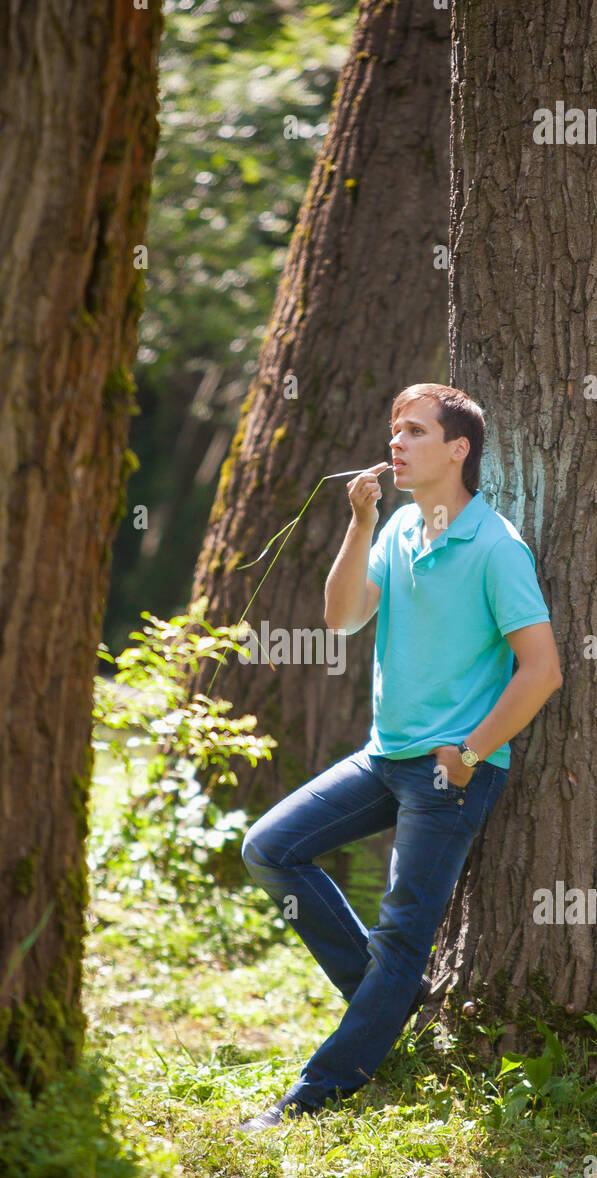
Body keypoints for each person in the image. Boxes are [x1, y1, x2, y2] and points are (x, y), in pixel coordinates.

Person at [237, 383, 563, 1133]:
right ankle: (390, 1001)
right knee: (271, 848)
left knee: (401, 934)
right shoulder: (399, 532)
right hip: (385, 756)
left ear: (459, 450)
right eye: (394, 431)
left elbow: (542, 669)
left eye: (415, 431)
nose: (397, 443)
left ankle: (314, 1097)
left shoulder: (494, 546)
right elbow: (343, 617)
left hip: (449, 774)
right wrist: (360, 523)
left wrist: (472, 753)